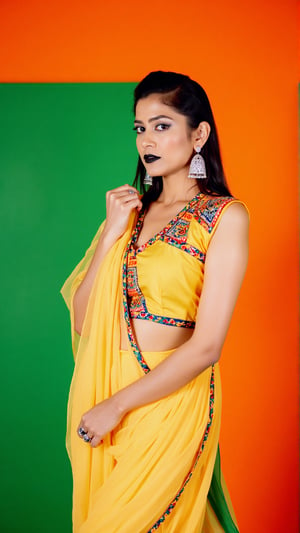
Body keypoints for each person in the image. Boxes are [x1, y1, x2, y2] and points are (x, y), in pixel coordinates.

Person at [61, 70, 249, 533]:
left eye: (162, 125)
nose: (147, 139)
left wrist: (117, 406)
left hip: (171, 399)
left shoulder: (225, 217)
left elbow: (207, 346)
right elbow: (85, 322)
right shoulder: (129, 212)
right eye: (140, 128)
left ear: (198, 133)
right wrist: (109, 236)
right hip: (108, 389)